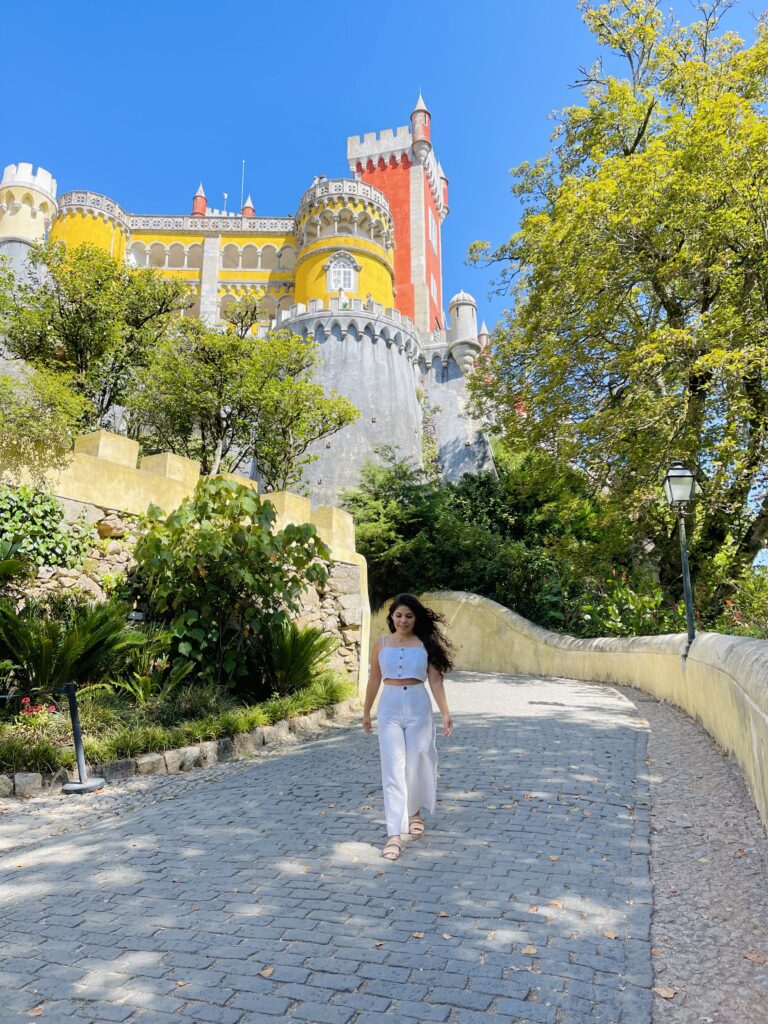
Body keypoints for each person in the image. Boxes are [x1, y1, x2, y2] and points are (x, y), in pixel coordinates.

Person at [363, 594, 454, 861]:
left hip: (418, 707)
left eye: (409, 616)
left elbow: (436, 682)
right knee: (392, 769)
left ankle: (414, 811)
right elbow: (374, 680)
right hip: (389, 708)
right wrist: (366, 711)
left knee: (417, 761)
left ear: (416, 618)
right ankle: (394, 834)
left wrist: (446, 713)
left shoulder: (426, 645)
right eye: (399, 615)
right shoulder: (380, 645)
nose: (403, 620)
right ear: (391, 616)